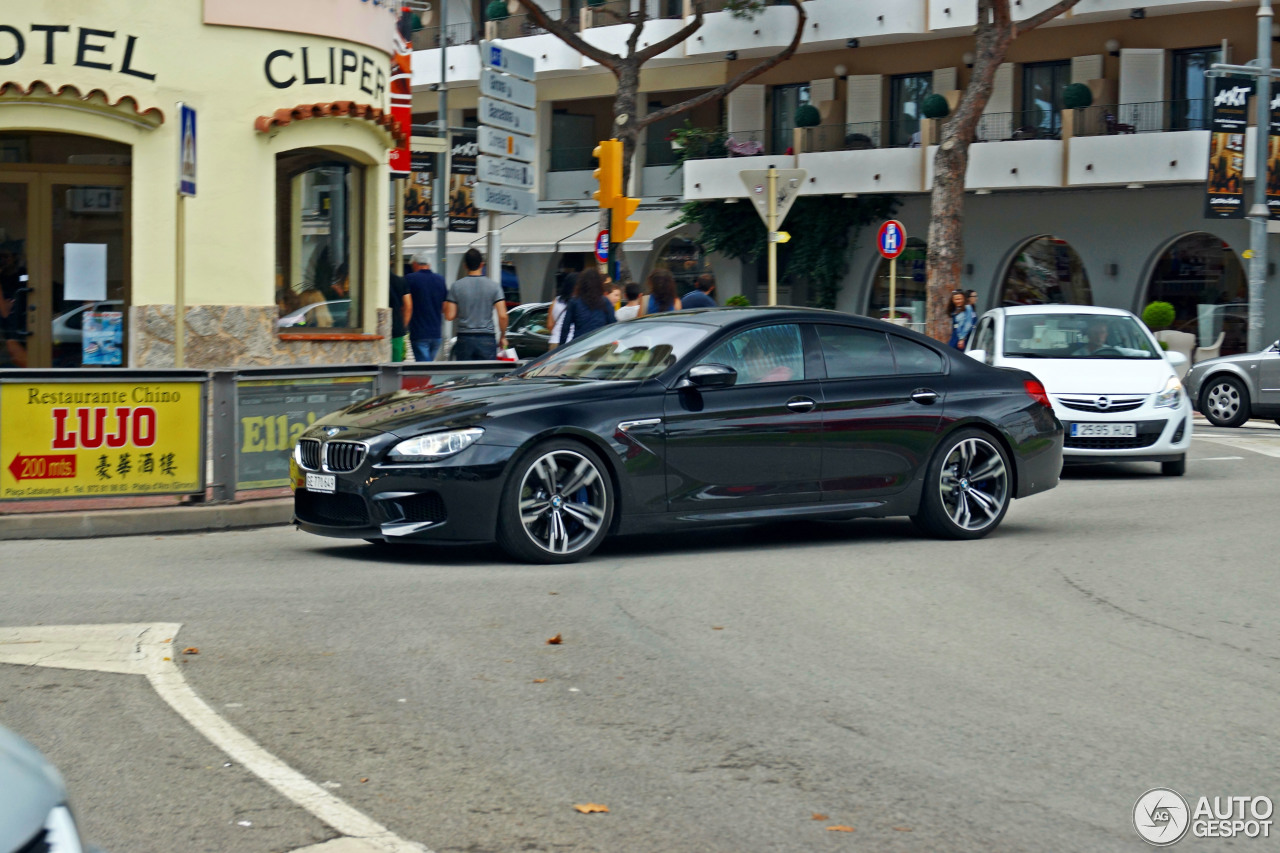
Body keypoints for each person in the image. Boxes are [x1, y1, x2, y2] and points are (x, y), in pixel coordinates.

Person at [445, 247, 508, 360]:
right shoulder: (494, 286)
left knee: (464, 376)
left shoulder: (456, 286)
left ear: (465, 265)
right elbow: (503, 316)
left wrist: (464, 309)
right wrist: (503, 336)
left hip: (464, 338)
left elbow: (449, 316)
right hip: (487, 338)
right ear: (482, 264)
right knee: (487, 375)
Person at [554, 268, 616, 346]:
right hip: (599, 344)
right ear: (599, 283)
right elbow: (612, 323)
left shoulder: (574, 301)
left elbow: (565, 327)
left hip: (579, 343)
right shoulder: (605, 301)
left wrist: (561, 346)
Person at [405, 251, 447, 361]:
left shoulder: (410, 279)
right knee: (429, 367)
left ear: (414, 264)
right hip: (436, 333)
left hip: (419, 332)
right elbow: (444, 307)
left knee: (423, 371)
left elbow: (407, 305)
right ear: (429, 264)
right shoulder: (440, 280)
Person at [389, 265, 412, 362]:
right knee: (395, 365)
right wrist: (403, 325)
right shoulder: (400, 281)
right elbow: (408, 305)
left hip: (374, 330)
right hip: (396, 329)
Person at [548, 274, 576, 348]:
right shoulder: (579, 302)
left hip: (555, 341)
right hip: (574, 343)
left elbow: (550, 325)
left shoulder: (556, 301)